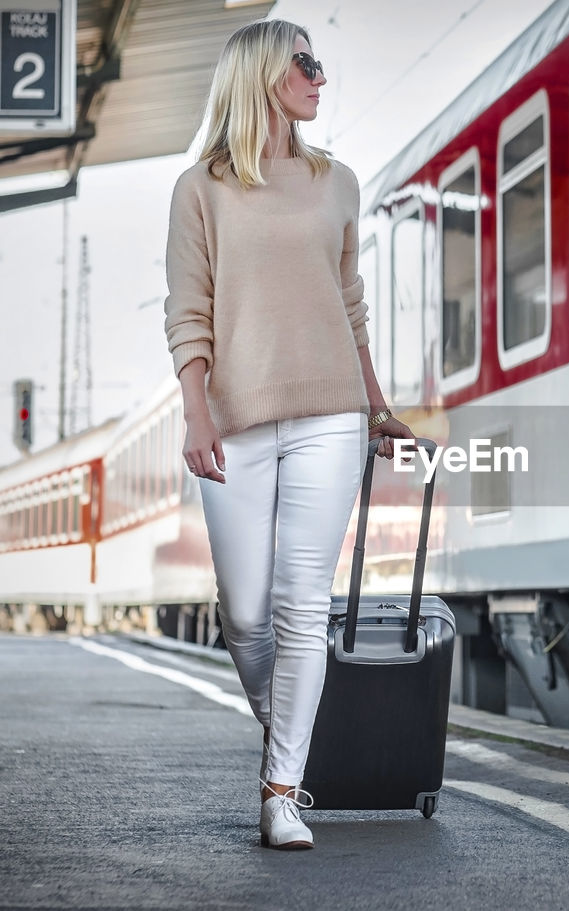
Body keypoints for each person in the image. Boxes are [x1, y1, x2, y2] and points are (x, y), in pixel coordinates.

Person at [161, 18, 414, 850]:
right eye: (304, 62)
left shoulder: (335, 181)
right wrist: (197, 409)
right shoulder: (200, 188)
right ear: (263, 74)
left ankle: (282, 792)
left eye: (318, 61)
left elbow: (350, 305)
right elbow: (188, 310)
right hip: (234, 421)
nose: (319, 76)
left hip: (331, 414)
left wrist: (376, 406)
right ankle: (292, 737)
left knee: (304, 606)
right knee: (245, 613)